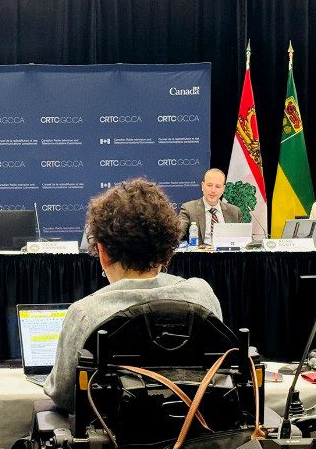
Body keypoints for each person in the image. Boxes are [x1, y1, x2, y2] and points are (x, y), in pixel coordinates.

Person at [44, 178, 222, 413]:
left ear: (102, 252)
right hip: (199, 429)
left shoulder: (85, 313)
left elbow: (65, 397)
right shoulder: (202, 295)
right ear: (167, 251)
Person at [178, 168, 242, 246]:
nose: (213, 190)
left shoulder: (234, 212)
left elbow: (243, 241)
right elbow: (177, 234)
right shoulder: (189, 209)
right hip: (200, 253)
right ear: (202, 186)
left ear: (223, 189)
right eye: (209, 185)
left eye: (218, 186)